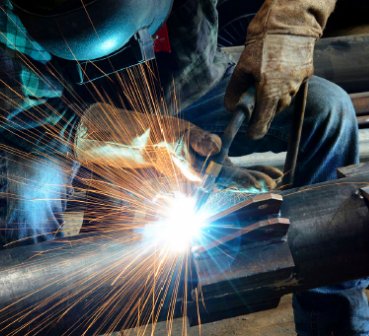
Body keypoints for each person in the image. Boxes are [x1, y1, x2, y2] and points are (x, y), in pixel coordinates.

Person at [0, 0, 366, 334]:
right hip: (68, 114)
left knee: (326, 109)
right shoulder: (12, 12)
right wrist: (130, 141)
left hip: (190, 86)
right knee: (29, 186)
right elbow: (26, 112)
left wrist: (292, 20)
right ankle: (29, 321)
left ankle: (332, 320)